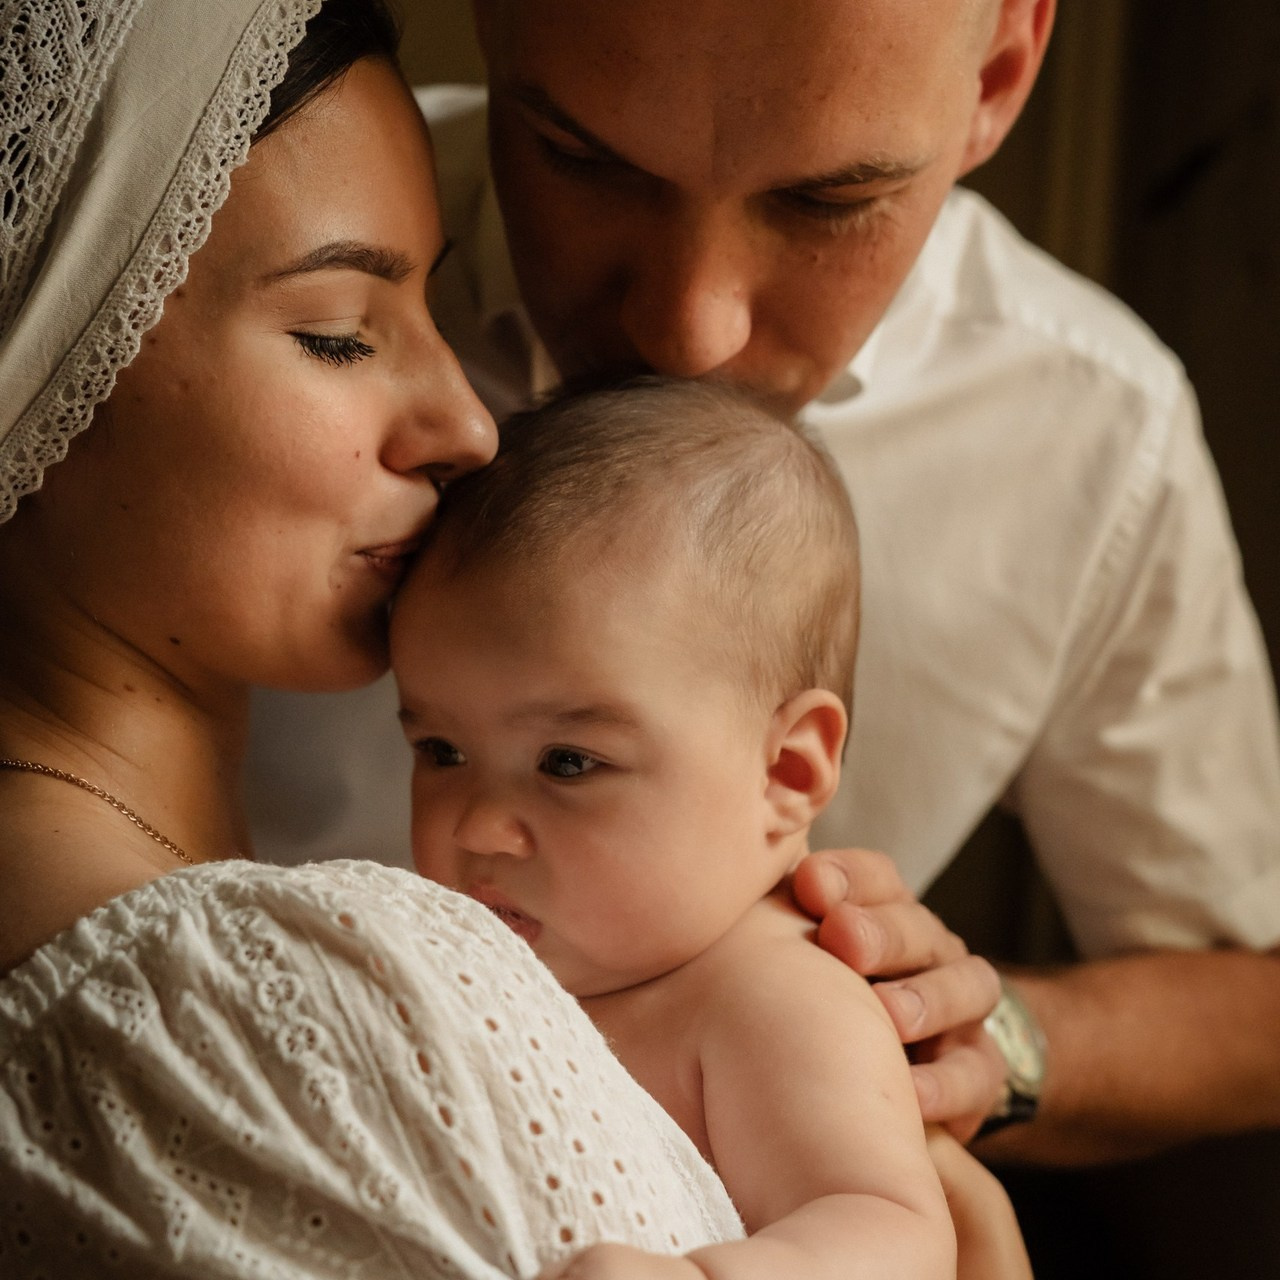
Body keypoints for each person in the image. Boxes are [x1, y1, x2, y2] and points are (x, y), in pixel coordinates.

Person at [245, 0, 1280, 1174]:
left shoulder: (1091, 427)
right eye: (583, 160)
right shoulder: (247, 249)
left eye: (827, 202)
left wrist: (983, 1039)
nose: (690, 330)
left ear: (996, 73)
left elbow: (1253, 1001)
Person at [0, 3, 745, 1274]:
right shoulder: (259, 990)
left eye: (434, 311)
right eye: (339, 331)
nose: (466, 425)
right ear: (46, 360)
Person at [392, 377, 957, 1280]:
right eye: (441, 750)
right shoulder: (516, 952)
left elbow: (892, 1232)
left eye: (569, 762)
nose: (481, 828)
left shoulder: (770, 997)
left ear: (787, 771)